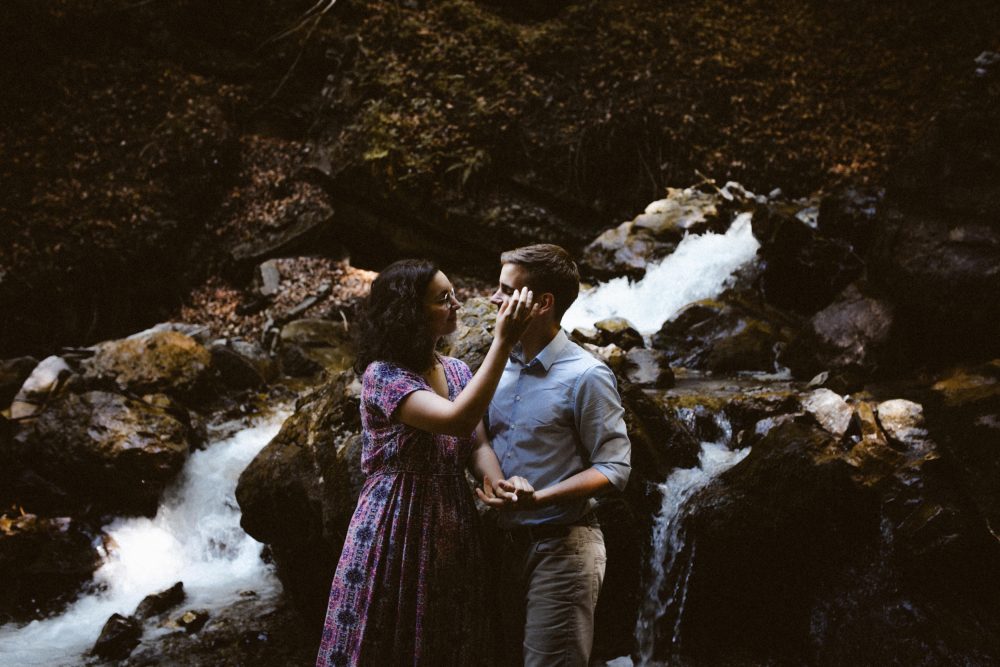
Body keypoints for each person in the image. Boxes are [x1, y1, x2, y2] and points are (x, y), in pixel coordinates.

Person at [316, 259, 537, 666]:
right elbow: (456, 421)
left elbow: (475, 443)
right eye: (443, 299)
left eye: (454, 294)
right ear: (409, 312)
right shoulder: (382, 376)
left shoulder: (456, 370)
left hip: (451, 524)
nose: (457, 304)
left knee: (445, 641)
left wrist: (495, 481)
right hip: (393, 527)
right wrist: (503, 343)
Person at [477, 244, 631, 666]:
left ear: (543, 303)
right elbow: (479, 440)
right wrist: (492, 481)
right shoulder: (498, 366)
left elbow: (615, 468)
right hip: (504, 548)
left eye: (507, 291)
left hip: (563, 548)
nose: (495, 299)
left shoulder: (586, 376)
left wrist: (540, 498)